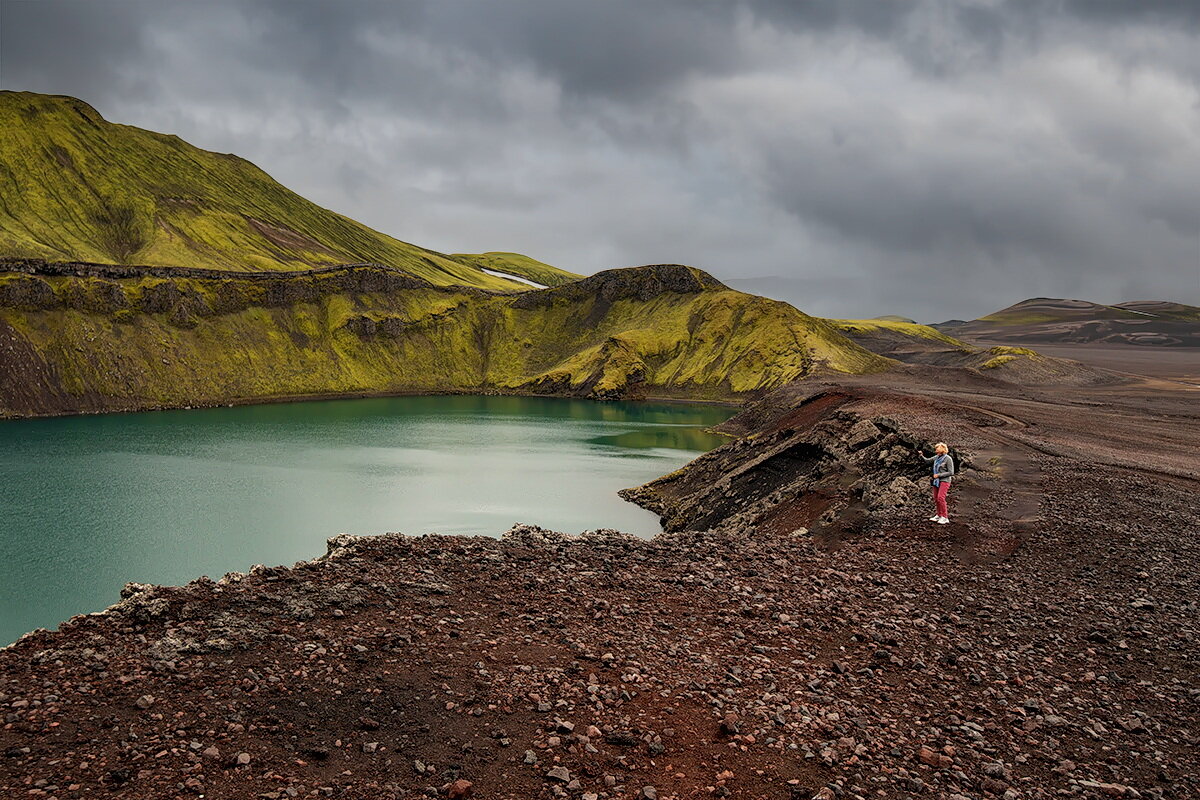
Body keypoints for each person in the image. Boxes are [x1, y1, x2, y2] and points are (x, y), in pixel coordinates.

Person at [921, 443, 954, 524]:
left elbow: (951, 472)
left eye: (938, 450)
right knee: (936, 498)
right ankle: (939, 515)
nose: (936, 452)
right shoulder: (937, 457)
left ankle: (945, 517)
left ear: (942, 450)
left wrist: (938, 475)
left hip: (944, 481)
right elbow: (927, 461)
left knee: (940, 498)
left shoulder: (948, 459)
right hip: (936, 481)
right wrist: (921, 456)